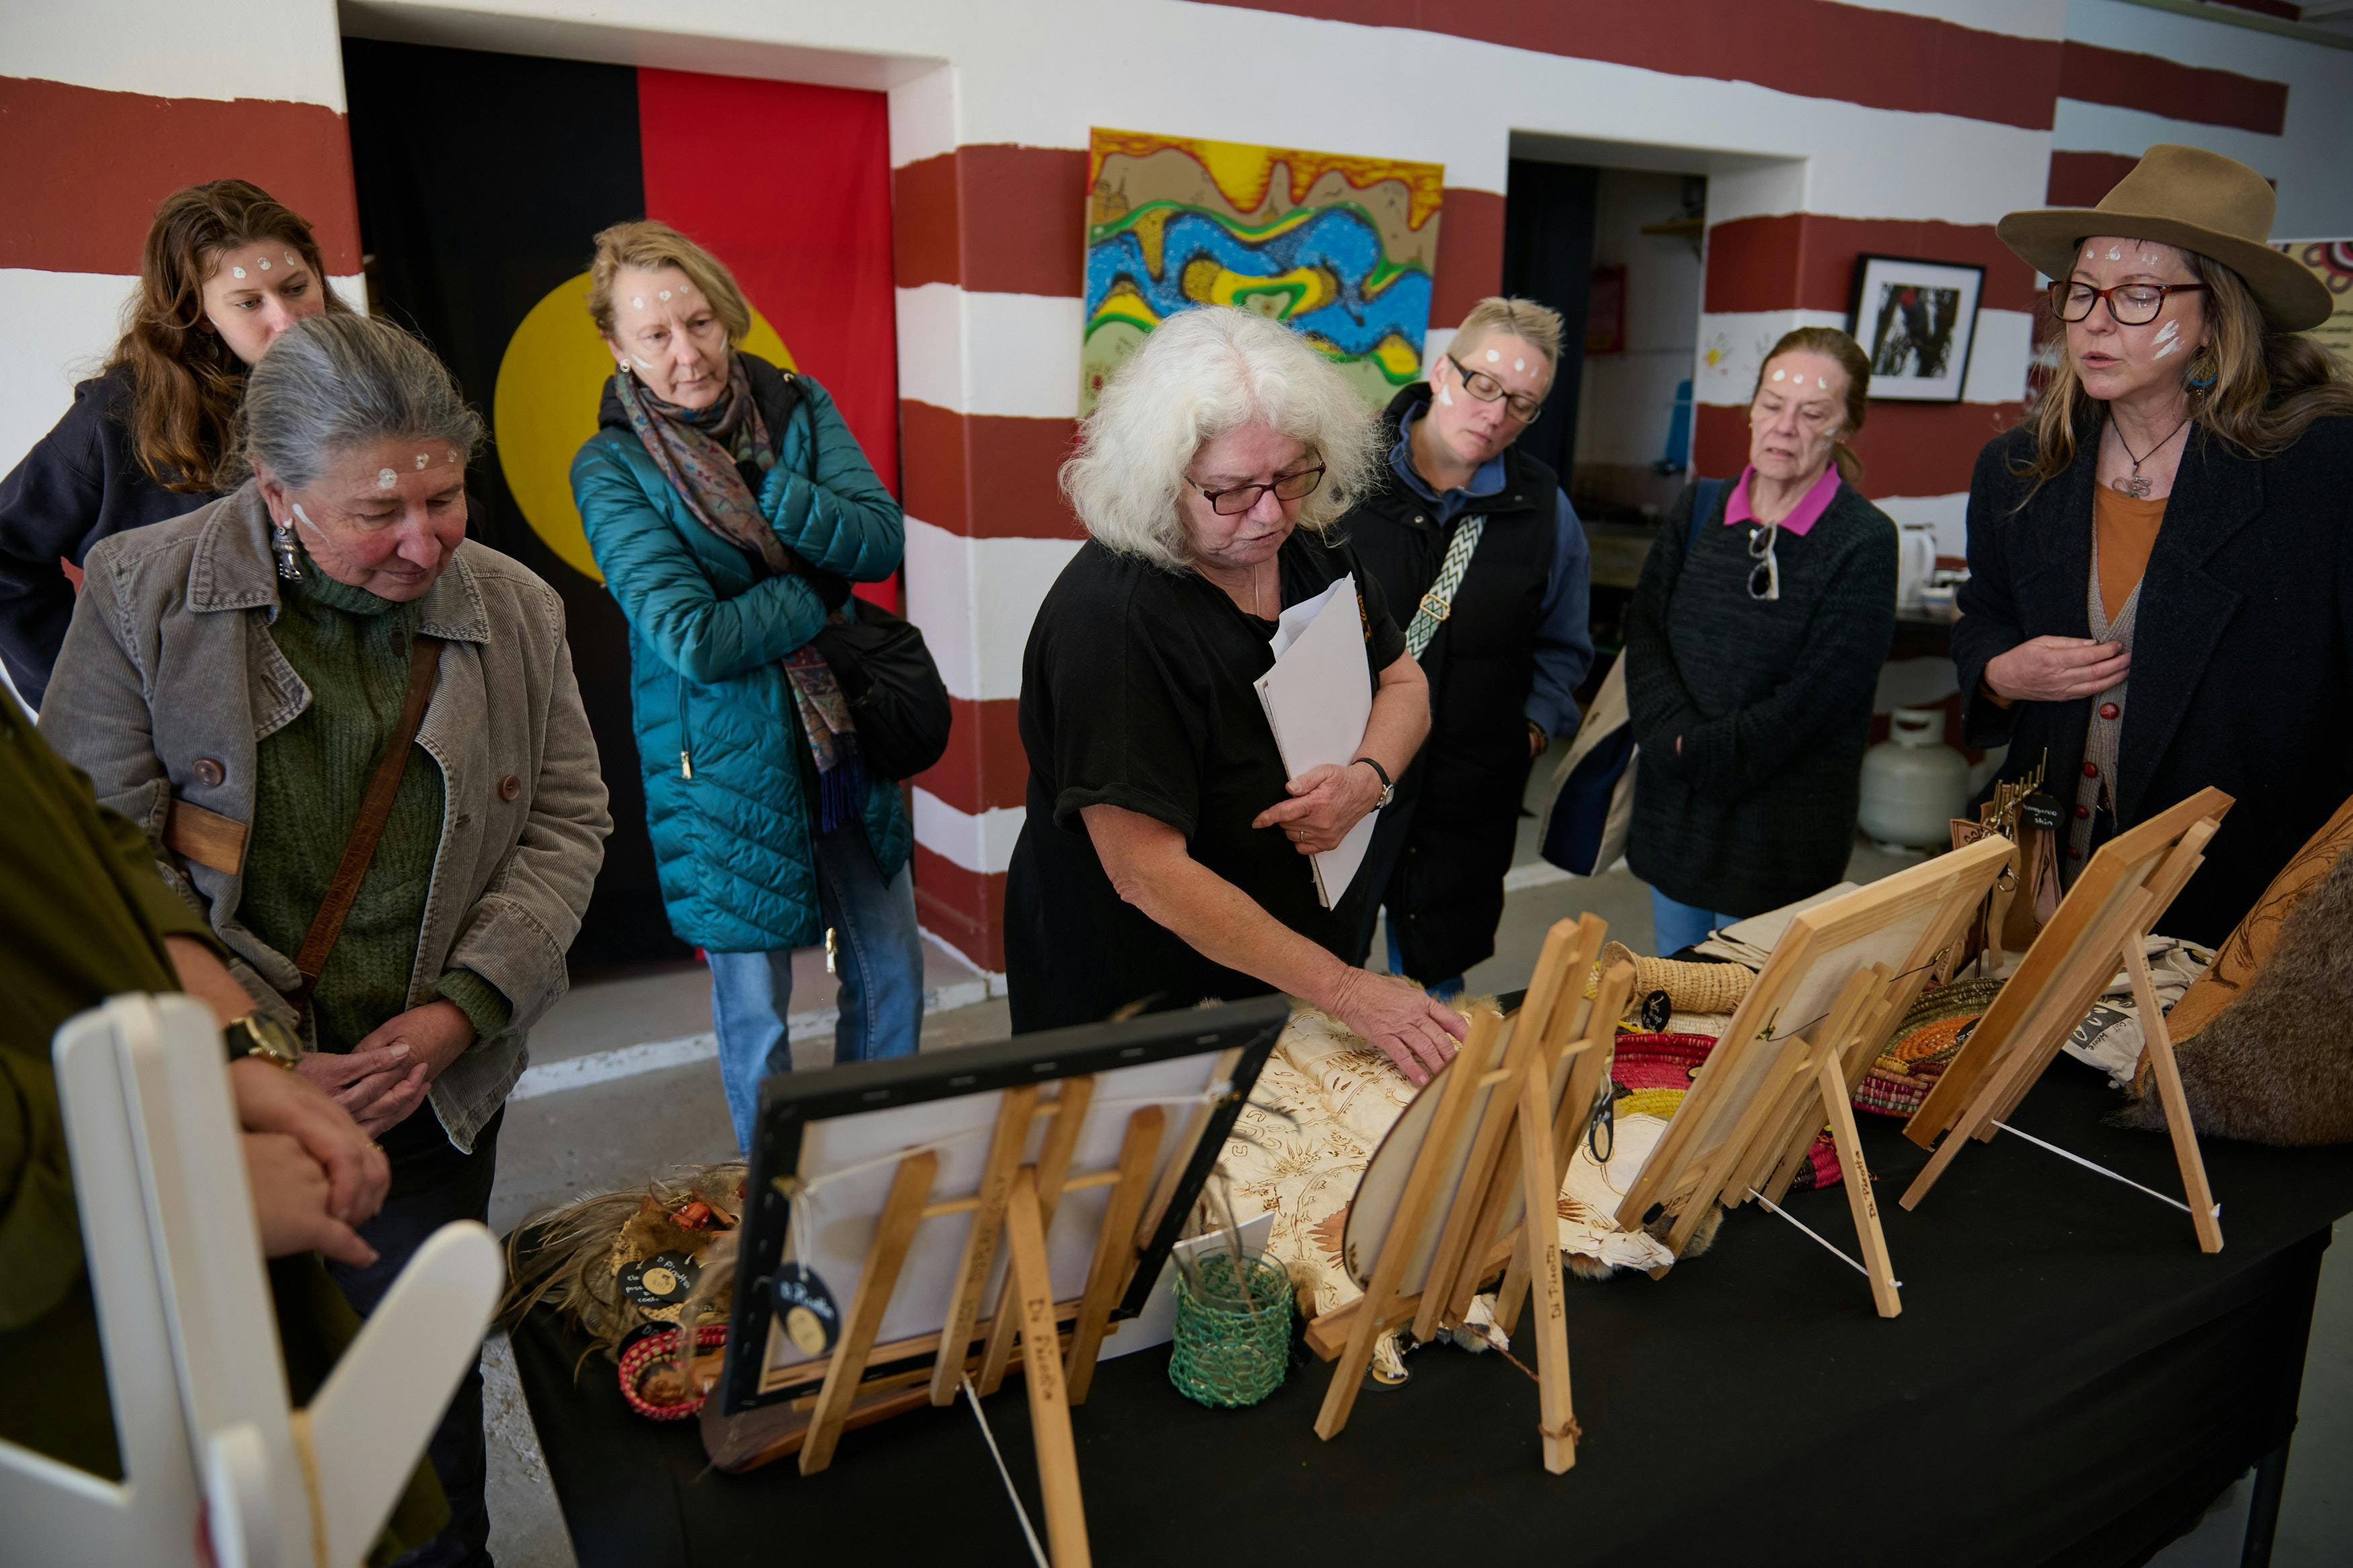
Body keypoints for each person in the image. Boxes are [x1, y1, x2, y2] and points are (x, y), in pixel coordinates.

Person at [40, 313, 610, 1568]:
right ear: (275, 490)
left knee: (421, 1429)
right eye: (377, 513)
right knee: (239, 1419)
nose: (423, 542)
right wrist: (251, 1048)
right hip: (219, 1102)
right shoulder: (143, 591)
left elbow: (568, 820)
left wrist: (460, 1011)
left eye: (444, 499)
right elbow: (101, 856)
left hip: (426, 1099)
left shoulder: (515, 606)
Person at [0, 696, 448, 1561]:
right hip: (64, 1350)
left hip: (172, 1246)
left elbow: (78, 835)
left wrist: (233, 1043)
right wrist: (156, 1179)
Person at [1005, 306, 1464, 1083]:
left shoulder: (1314, 547)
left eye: (1289, 476)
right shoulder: (1114, 621)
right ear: (1160, 479)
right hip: (1146, 995)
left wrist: (1367, 780)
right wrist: (1346, 990)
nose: (1270, 514)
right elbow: (1145, 870)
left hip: (1293, 963)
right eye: (1230, 490)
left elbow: (1403, 681)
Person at [569, 221, 920, 1153]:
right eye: (655, 335)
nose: (687, 354)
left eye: (700, 323)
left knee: (890, 967)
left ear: (726, 316)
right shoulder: (610, 468)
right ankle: (783, 1194)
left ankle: (874, 1160)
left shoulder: (799, 406)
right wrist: (814, 589)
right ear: (617, 346)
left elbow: (879, 539)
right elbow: (694, 639)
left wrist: (774, 493)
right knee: (757, 1006)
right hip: (720, 761)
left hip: (840, 738)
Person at [1957, 145, 2353, 946]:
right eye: (2080, 292)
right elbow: (1982, 616)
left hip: (2235, 887)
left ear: (2218, 316)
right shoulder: (2019, 468)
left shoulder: (2319, 470)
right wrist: (1998, 671)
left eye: (2137, 294)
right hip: (2045, 869)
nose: (2094, 322)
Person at [0, 179, 341, 707]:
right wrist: (86, 701)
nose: (286, 320)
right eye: (249, 302)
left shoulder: (372, 381)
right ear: (198, 313)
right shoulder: (118, 416)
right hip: (190, 729)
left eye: (296, 288)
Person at [1337, 296, 1593, 994]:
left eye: (1521, 403)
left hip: (1467, 795)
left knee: (1434, 994)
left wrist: (1530, 729)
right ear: (1441, 371)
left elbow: (1565, 643)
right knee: (1315, 981)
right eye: (1483, 384)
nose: (1496, 414)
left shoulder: (1544, 507)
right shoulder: (1346, 473)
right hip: (1341, 777)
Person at [1623, 327, 1899, 954]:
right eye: (1772, 404)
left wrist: (1701, 750)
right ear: (1751, 409)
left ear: (1846, 428)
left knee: (1756, 1006)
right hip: (1675, 821)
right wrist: (1672, 736)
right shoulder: (1699, 508)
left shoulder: (1863, 540)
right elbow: (1645, 632)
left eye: (1813, 414)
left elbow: (1821, 695)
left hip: (1780, 841)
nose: (1785, 427)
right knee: (1674, 995)